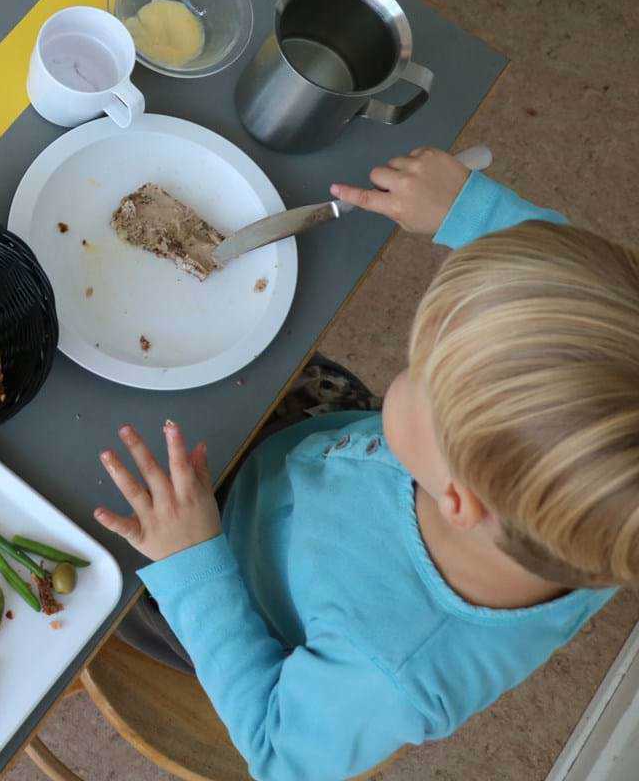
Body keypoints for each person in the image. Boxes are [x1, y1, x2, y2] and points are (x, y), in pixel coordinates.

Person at [93, 148, 635, 780]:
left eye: (418, 372)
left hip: (228, 583)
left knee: (79, 521)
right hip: (323, 456)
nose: (404, 361)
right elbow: (592, 314)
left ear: (458, 498)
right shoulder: (600, 509)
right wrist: (474, 211)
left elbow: (279, 755)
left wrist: (195, 562)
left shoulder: (396, 668)